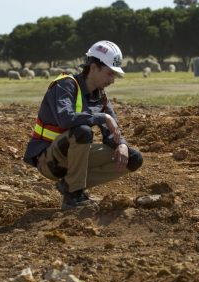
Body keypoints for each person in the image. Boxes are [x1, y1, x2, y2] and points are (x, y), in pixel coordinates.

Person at [23, 40, 143, 210]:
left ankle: (70, 186)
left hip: (74, 160)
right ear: (93, 67)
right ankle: (74, 195)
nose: (113, 80)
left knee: (133, 158)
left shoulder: (101, 96)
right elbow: (65, 119)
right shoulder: (65, 85)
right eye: (110, 74)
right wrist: (103, 117)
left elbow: (111, 134)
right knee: (83, 132)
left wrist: (122, 144)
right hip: (49, 160)